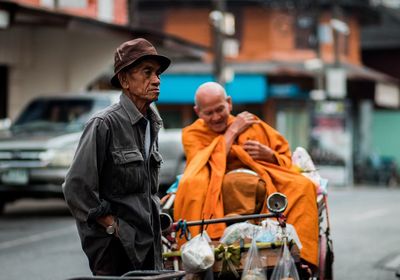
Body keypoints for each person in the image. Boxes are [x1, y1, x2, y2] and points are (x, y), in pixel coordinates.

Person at [174, 81, 319, 270]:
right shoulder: (192, 133)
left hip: (260, 176)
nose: (216, 117)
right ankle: (201, 248)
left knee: (302, 186)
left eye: (220, 109)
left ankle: (301, 257)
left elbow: (284, 154)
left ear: (229, 103)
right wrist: (233, 131)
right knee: (193, 185)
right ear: (197, 112)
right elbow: (202, 165)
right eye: (208, 113)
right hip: (216, 182)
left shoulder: (251, 123)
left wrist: (270, 155)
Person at [63, 38, 171, 276]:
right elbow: (76, 188)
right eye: (147, 72)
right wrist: (113, 226)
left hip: (147, 241)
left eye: (158, 73)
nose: (156, 80)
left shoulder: (152, 123)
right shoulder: (104, 124)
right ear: (124, 80)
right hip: (114, 246)